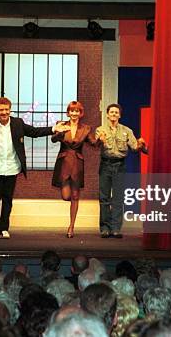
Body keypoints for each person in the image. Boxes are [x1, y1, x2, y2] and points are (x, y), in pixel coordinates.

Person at [0, 97, 69, 239]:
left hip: (12, 167)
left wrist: (53, 128)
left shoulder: (18, 123)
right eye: (1, 110)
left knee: (7, 199)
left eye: (6, 109)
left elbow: (34, 132)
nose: (4, 112)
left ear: (10, 110)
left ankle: (4, 228)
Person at [96, 103, 147, 238]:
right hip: (105, 165)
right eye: (111, 112)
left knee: (118, 198)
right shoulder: (100, 130)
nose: (113, 114)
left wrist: (141, 144)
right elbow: (95, 144)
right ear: (107, 115)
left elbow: (135, 147)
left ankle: (116, 228)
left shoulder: (126, 131)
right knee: (104, 198)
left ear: (119, 115)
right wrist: (100, 141)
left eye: (116, 112)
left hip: (120, 166)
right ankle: (105, 228)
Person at [51, 101, 98, 238]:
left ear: (80, 113)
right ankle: (72, 208)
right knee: (66, 196)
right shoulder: (62, 124)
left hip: (77, 163)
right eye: (72, 111)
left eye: (77, 111)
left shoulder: (86, 128)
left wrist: (100, 139)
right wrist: (59, 133)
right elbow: (53, 139)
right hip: (64, 162)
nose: (74, 113)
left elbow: (93, 143)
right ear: (68, 112)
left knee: (76, 196)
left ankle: (71, 227)